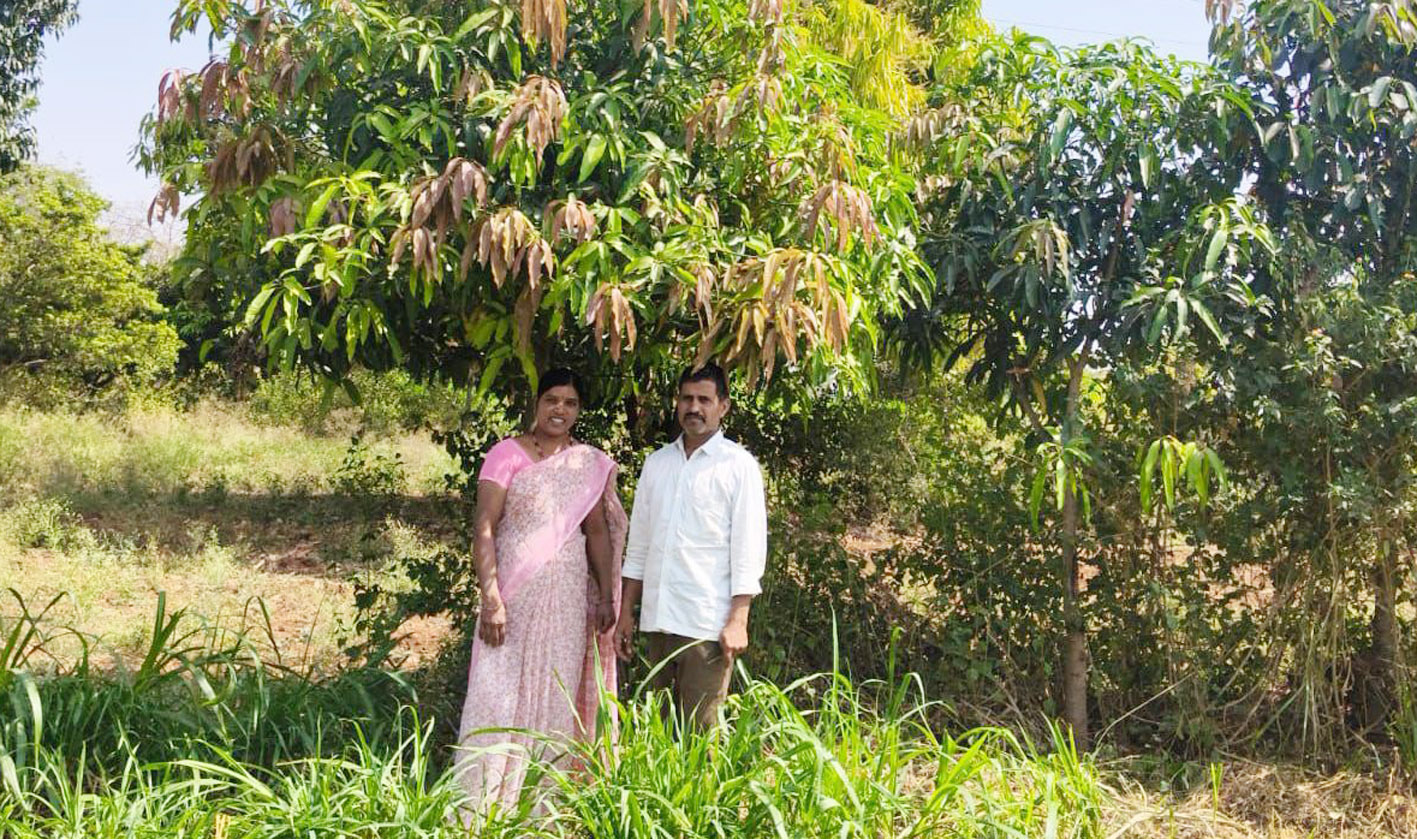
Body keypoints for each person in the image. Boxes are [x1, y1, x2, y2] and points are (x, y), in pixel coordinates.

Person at [453, 368, 624, 814]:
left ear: (578, 410)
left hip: (566, 601)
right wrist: (491, 598)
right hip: (513, 598)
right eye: (552, 400)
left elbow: (597, 533)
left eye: (570, 403)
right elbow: (485, 527)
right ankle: (482, 803)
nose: (560, 410)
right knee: (496, 693)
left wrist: (608, 595)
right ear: (537, 403)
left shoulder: (585, 464)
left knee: (555, 692)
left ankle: (540, 809)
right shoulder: (505, 455)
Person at [613, 362, 768, 729]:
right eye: (686, 399)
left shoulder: (738, 466)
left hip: (706, 624)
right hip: (658, 621)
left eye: (704, 399)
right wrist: (626, 614)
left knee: (701, 735)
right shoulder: (657, 464)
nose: (693, 407)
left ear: (723, 406)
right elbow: (639, 547)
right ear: (677, 403)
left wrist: (738, 621)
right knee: (658, 732)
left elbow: (748, 551)